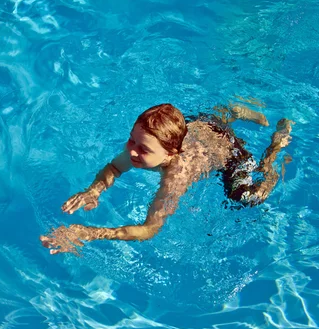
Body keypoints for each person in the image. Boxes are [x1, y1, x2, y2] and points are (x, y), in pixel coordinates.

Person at [40, 103, 293, 255]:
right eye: (132, 139)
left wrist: (87, 233)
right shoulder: (143, 147)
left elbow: (149, 230)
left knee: (249, 197)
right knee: (208, 120)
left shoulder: (176, 177)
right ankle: (232, 111)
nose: (131, 151)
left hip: (229, 153)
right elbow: (113, 168)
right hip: (200, 126)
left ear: (170, 153)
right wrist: (93, 191)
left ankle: (275, 148)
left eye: (142, 149)